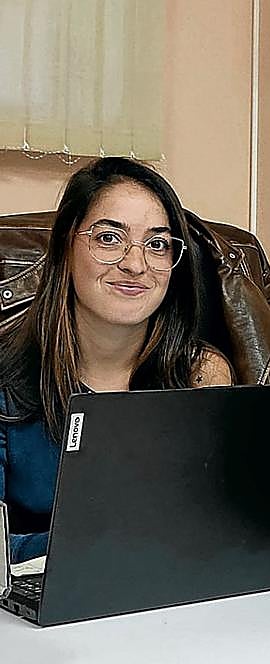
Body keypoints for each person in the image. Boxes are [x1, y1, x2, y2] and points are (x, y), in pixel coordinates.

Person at [0, 157, 232, 563]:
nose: (135, 264)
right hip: (39, 610)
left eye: (157, 244)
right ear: (65, 247)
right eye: (109, 238)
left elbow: (221, 522)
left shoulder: (200, 374)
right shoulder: (7, 380)